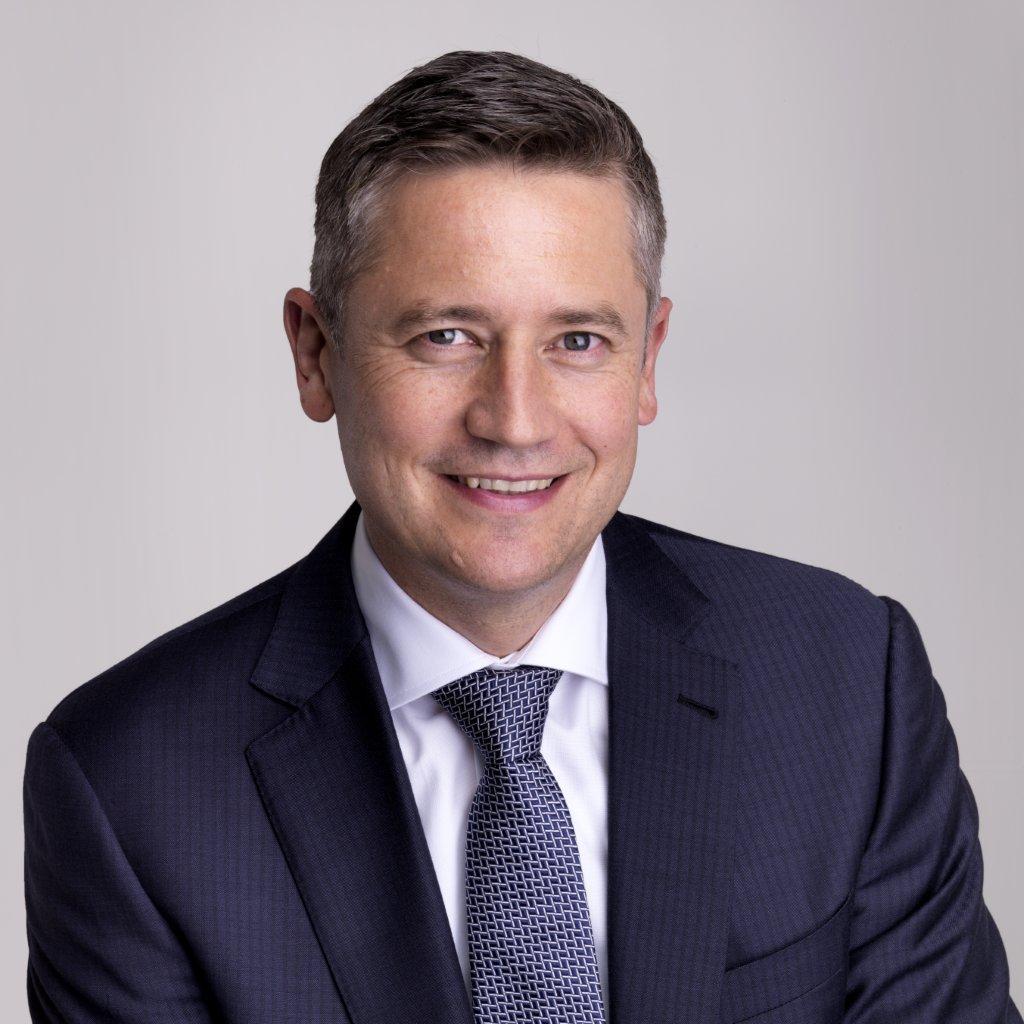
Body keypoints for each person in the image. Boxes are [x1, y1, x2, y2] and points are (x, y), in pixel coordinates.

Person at [22, 49, 1019, 1024]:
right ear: (316, 353)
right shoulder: (130, 785)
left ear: (646, 362)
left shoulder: (846, 684)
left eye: (577, 341)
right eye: (446, 337)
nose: (514, 419)